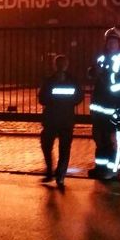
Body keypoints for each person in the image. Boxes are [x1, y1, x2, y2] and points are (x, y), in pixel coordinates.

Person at [87, 27, 120, 180]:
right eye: (109, 41)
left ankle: (113, 172)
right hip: (100, 108)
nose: (111, 44)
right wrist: (93, 72)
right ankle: (100, 168)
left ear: (119, 43)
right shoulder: (102, 58)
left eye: (114, 41)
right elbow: (91, 73)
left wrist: (108, 81)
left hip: (116, 107)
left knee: (115, 141)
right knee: (100, 140)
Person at [38, 54, 83, 189]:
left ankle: (50, 171)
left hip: (51, 118)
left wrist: (53, 102)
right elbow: (79, 98)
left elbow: (42, 99)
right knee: (64, 148)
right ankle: (60, 175)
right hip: (66, 119)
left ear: (54, 65)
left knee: (46, 145)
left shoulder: (49, 81)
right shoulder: (72, 81)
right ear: (66, 65)